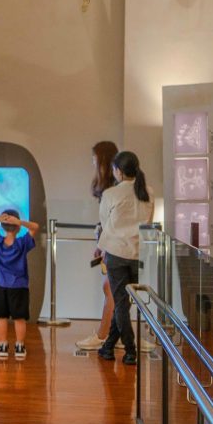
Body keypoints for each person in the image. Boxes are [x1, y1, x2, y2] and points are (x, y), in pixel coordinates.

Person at [96, 151, 154, 365]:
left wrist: (100, 248)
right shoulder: (147, 192)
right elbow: (148, 223)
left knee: (120, 304)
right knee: (124, 303)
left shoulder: (111, 194)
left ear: (118, 171)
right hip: (137, 254)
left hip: (117, 253)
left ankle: (130, 350)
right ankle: (109, 346)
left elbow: (105, 223)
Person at [77, 141, 119, 351]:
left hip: (115, 245)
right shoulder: (109, 187)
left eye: (94, 158)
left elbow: (112, 220)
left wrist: (103, 245)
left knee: (110, 287)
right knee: (111, 288)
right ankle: (114, 334)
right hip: (111, 243)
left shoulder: (113, 188)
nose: (92, 162)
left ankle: (104, 334)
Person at [0, 209, 40, 361]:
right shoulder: (22, 243)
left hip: (1, 286)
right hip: (19, 286)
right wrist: (19, 222)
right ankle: (19, 345)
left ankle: (3, 345)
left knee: (1, 317)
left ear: (2, 226)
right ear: (18, 228)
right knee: (19, 318)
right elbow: (35, 227)